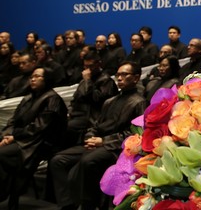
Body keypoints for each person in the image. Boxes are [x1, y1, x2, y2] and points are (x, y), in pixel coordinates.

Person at [48, 61, 147, 210]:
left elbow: (136, 134)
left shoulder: (139, 102)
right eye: (118, 74)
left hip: (116, 149)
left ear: (136, 78)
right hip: (98, 144)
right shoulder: (109, 101)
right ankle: (68, 204)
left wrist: (103, 141)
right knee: (58, 160)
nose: (119, 78)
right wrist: (90, 137)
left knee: (89, 161)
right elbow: (95, 125)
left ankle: (88, 204)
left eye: (124, 74)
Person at [0, 67, 67, 207]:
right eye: (32, 76)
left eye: (37, 76)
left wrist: (14, 137)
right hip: (21, 139)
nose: (33, 79)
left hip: (38, 143)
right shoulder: (28, 97)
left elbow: (40, 127)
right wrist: (7, 135)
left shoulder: (52, 99)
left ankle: (5, 192)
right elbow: (13, 120)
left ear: (46, 79)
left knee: (2, 154)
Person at [64, 52, 118, 147]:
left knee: (66, 127)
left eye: (91, 66)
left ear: (98, 64)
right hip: (77, 114)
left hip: (92, 117)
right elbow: (75, 99)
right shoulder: (84, 80)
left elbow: (96, 99)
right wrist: (69, 111)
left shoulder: (106, 81)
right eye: (85, 66)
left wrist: (88, 81)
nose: (87, 70)